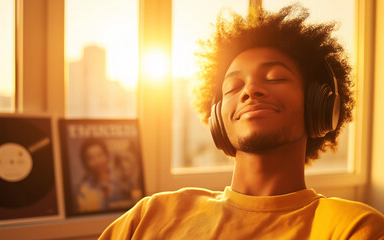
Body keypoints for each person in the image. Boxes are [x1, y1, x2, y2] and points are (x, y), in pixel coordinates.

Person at [98, 4, 384, 239]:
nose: (250, 90)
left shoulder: (353, 228)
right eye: (233, 87)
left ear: (319, 105)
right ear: (217, 119)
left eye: (275, 77)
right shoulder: (151, 214)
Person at [76, 139, 129, 212]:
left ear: (107, 156)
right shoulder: (84, 189)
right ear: (86, 163)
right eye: (91, 158)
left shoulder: (121, 180)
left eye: (100, 155)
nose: (97, 161)